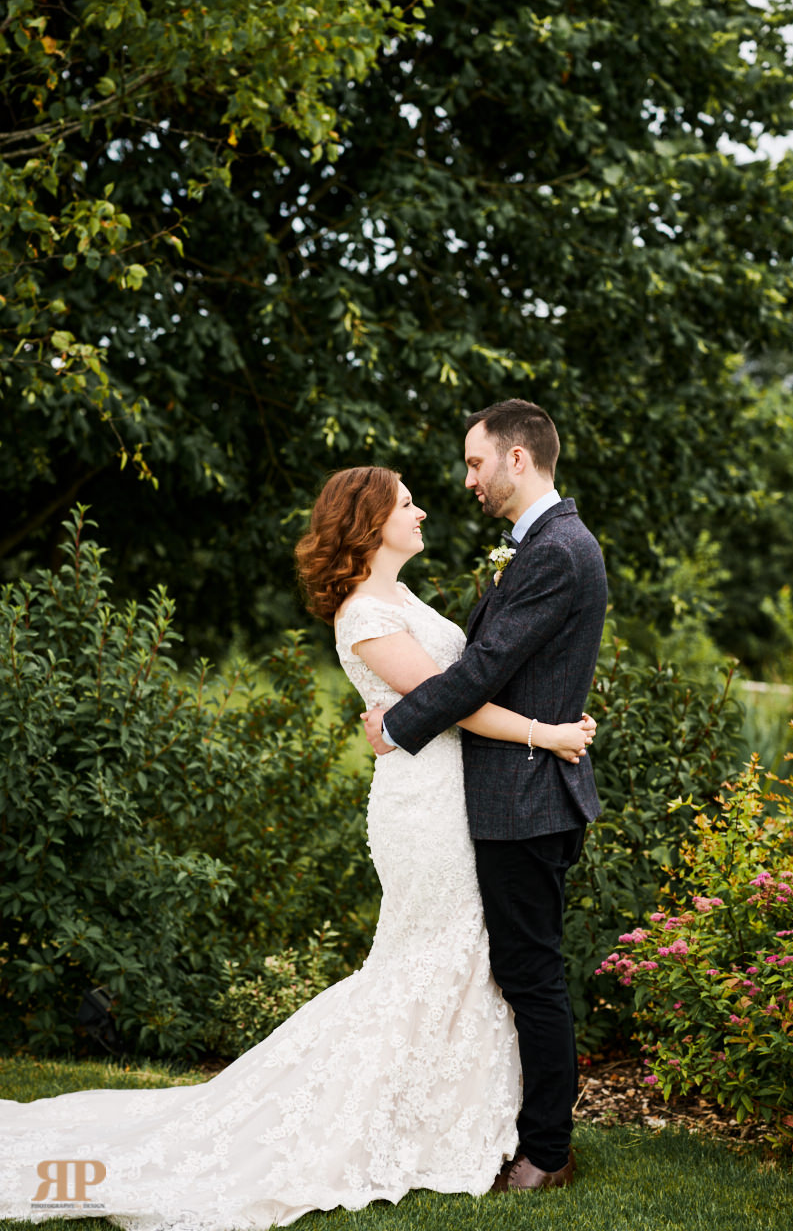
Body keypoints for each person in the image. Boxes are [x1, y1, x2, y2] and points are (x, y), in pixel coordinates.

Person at [0, 462, 595, 1230]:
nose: (422, 512)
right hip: (424, 810)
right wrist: (543, 732)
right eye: (406, 504)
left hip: (455, 795)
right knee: (424, 960)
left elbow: (461, 678)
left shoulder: (402, 597)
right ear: (369, 521)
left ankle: (448, 1120)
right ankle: (379, 1120)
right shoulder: (363, 614)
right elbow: (458, 699)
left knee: (460, 958)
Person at [361, 398, 608, 1193]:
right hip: (516, 788)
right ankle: (517, 1131)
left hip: (526, 795)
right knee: (519, 967)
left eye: (474, 462)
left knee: (530, 972)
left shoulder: (554, 551)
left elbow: (480, 671)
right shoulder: (535, 545)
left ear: (516, 458)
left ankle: (545, 1152)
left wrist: (398, 725)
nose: (465, 478)